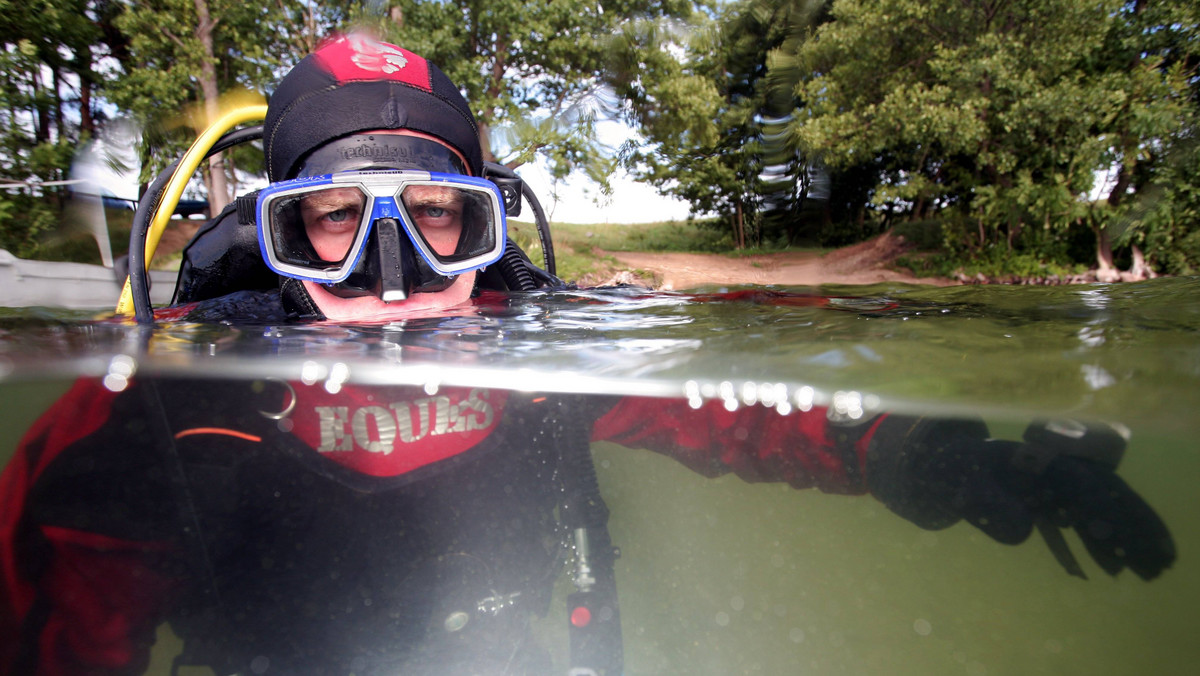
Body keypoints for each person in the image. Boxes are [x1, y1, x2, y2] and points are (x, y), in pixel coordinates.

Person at [0, 34, 1176, 676]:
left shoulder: (549, 350)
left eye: (437, 215)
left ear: (490, 223)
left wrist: (945, 457)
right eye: (342, 221)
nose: (396, 281)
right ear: (276, 236)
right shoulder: (144, 417)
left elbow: (748, 415)